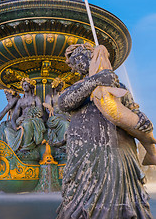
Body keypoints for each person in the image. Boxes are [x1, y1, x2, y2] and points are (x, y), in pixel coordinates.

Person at [57, 43, 153, 219]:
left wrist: (141, 122)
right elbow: (64, 103)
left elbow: (133, 110)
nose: (79, 62)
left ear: (92, 56)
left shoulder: (118, 85)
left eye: (82, 56)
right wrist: (95, 80)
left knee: (124, 197)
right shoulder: (79, 87)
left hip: (120, 149)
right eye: (74, 61)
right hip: (87, 150)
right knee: (82, 198)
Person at [4, 78, 46, 153]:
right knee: (7, 129)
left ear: (30, 86)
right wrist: (14, 126)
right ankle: (14, 148)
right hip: (22, 119)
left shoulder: (36, 98)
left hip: (34, 119)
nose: (24, 86)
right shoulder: (20, 101)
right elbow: (14, 116)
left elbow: (41, 111)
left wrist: (31, 116)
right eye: (23, 85)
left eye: (26, 85)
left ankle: (26, 147)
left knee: (27, 124)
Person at [43, 77, 70, 163]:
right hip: (53, 117)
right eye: (59, 85)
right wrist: (56, 113)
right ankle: (62, 144)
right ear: (55, 85)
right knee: (65, 124)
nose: (61, 87)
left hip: (63, 115)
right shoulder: (49, 96)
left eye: (62, 85)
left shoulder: (63, 96)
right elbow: (47, 109)